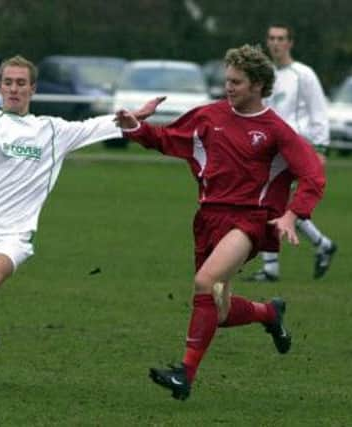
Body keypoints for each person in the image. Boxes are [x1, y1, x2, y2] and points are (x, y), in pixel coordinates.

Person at [0, 55, 163, 387]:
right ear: (0, 87)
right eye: (8, 82)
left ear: (33, 88)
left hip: (14, 233)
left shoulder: (52, 130)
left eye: (21, 83)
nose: (14, 89)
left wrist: (133, 117)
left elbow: (94, 127)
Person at [114, 44, 325, 400]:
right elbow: (167, 140)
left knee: (205, 281)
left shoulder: (275, 130)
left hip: (250, 221)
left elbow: (313, 175)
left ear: (258, 85)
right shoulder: (209, 116)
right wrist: (136, 125)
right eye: (227, 80)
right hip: (208, 218)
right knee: (221, 310)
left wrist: (293, 213)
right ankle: (268, 313)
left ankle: (185, 374)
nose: (228, 87)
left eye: (237, 82)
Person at [246, 23, 337, 282]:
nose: (275, 43)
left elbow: (319, 111)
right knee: (273, 203)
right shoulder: (265, 74)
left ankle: (274, 265)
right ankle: (320, 245)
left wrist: (320, 148)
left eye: (281, 38)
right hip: (271, 148)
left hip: (297, 147)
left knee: (268, 201)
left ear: (290, 43)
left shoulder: (303, 74)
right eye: (272, 38)